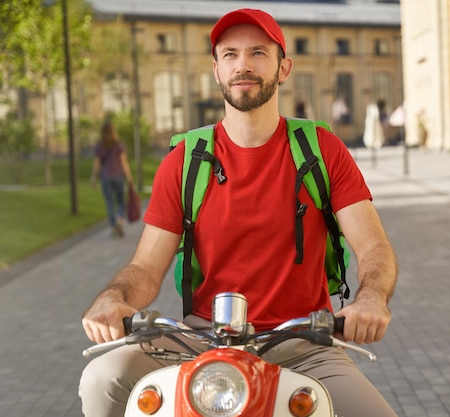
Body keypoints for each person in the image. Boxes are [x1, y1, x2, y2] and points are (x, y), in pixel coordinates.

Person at [79, 8, 398, 417]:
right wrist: (113, 298)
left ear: (284, 68)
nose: (242, 65)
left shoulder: (321, 150)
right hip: (198, 341)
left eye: (258, 53)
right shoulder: (185, 161)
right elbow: (145, 268)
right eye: (230, 55)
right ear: (216, 69)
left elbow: (373, 248)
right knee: (102, 377)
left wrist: (371, 299)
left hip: (302, 344)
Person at [91, 120, 134, 237]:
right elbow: (124, 162)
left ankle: (114, 224)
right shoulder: (119, 145)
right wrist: (129, 177)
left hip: (105, 177)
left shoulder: (100, 146)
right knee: (120, 201)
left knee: (110, 202)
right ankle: (119, 220)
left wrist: (94, 177)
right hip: (118, 176)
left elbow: (97, 163)